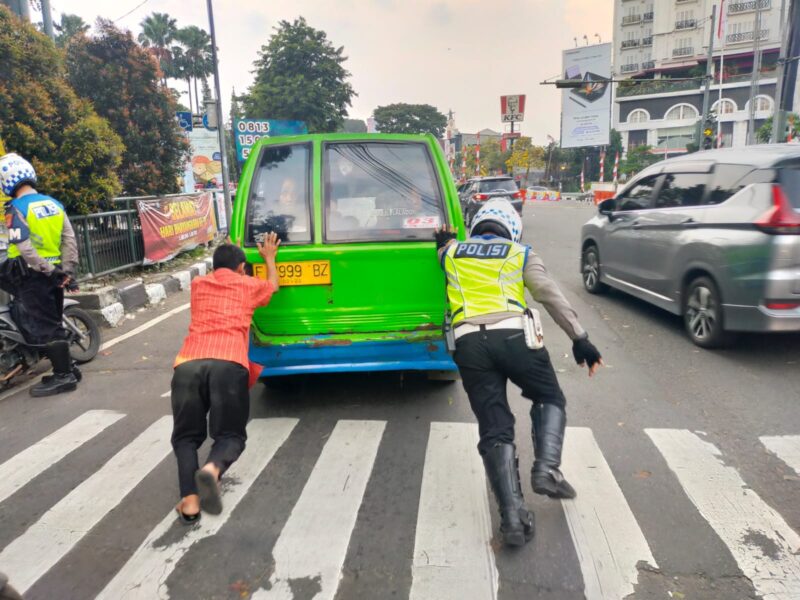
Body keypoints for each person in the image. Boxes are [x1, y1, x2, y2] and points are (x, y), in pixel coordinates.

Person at [435, 199, 603, 548]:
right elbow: (548, 294)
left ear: (477, 224)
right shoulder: (520, 253)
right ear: (512, 228)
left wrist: (444, 243)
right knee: (548, 397)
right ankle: (546, 468)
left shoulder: (451, 254)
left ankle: (512, 519)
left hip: (468, 346)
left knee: (495, 427)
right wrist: (580, 338)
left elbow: (443, 249)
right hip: (515, 338)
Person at [170, 236, 280, 523]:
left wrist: (227, 253)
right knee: (230, 435)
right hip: (228, 363)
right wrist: (269, 258)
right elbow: (272, 287)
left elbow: (219, 273)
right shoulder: (247, 285)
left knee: (185, 437)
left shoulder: (198, 285)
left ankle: (191, 501)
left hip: (188, 364)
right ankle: (211, 470)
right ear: (242, 268)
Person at [0, 153, 80, 397]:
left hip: (32, 276)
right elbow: (69, 239)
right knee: (53, 321)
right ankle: (70, 367)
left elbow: (24, 248)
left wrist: (48, 271)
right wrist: (66, 271)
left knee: (47, 327)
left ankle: (63, 376)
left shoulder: (14, 209)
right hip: (54, 274)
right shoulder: (54, 204)